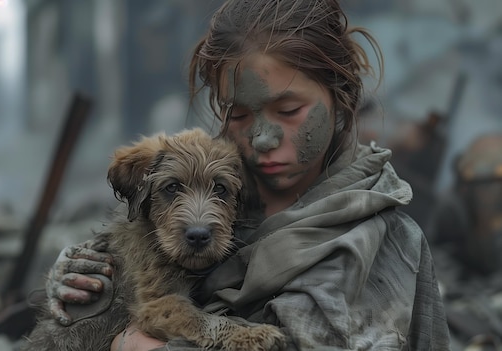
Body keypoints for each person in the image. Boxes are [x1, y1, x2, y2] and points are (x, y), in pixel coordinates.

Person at [44, 0, 451, 349]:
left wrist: (128, 343)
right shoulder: (237, 189)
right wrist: (83, 279)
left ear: (341, 95)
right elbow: (138, 253)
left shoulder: (381, 244)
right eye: (237, 114)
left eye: (289, 111)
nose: (261, 138)